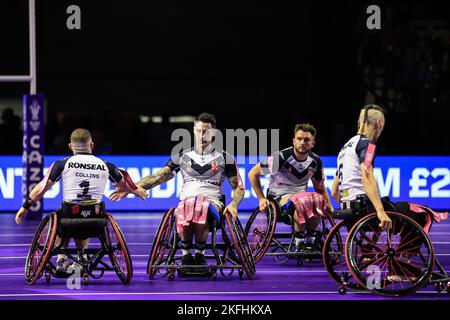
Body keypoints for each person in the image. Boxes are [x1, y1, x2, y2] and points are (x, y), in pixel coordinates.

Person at [110, 113, 245, 268]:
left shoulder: (225, 158)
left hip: (212, 202)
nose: (202, 135)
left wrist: (234, 204)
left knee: (199, 205)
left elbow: (239, 187)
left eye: (206, 131)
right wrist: (130, 189)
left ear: (214, 132)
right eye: (199, 130)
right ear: (194, 130)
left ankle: (199, 255)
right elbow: (157, 177)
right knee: (189, 205)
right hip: (186, 202)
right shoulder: (182, 156)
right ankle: (186, 255)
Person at [15, 128, 148, 272]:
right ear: (92, 145)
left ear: (70, 146)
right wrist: (135, 191)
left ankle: (62, 258)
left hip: (69, 215)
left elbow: (40, 189)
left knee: (61, 214)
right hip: (97, 218)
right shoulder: (106, 165)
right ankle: (82, 258)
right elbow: (125, 184)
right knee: (86, 213)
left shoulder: (62, 164)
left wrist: (25, 207)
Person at [331, 104, 430, 282]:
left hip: (349, 210)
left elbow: (334, 190)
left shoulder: (345, 147)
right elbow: (367, 177)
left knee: (403, 208)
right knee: (422, 214)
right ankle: (401, 267)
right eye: (382, 127)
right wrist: (380, 211)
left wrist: (348, 207)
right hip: (365, 209)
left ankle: (399, 264)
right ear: (378, 123)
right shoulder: (368, 144)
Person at [248, 123, 334, 253]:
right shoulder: (280, 158)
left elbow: (320, 187)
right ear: (294, 141)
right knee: (300, 201)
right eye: (299, 139)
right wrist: (261, 198)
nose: (302, 142)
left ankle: (310, 241)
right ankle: (299, 243)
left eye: (306, 140)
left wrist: (328, 204)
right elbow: (252, 174)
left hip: (302, 198)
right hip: (277, 199)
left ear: (312, 143)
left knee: (317, 200)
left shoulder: (316, 162)